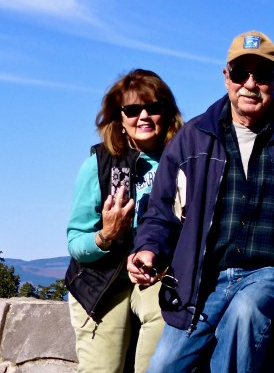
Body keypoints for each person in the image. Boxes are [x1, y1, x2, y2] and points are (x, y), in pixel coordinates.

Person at [128, 30, 274, 372]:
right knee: (163, 365)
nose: (250, 84)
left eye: (262, 75)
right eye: (241, 73)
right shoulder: (193, 139)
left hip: (270, 275)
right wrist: (148, 250)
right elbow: (161, 214)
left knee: (243, 316)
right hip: (202, 280)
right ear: (226, 77)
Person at [65, 69, 184, 372]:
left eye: (153, 108)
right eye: (132, 110)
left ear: (166, 113)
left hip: (156, 277)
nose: (143, 116)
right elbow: (75, 242)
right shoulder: (98, 165)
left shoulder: (184, 162)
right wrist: (105, 235)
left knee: (165, 322)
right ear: (119, 117)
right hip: (101, 284)